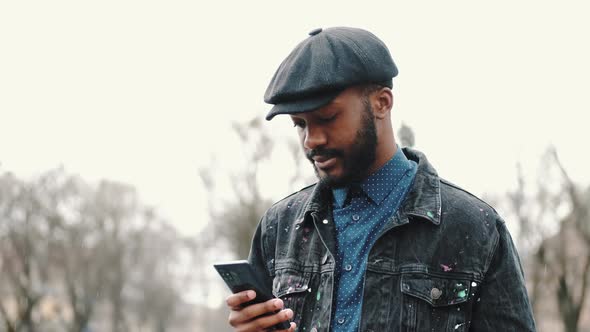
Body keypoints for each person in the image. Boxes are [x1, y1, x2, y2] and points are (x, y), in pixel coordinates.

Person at [225, 27, 536, 332]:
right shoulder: (277, 228)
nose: (311, 140)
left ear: (382, 103)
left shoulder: (475, 228)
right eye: (299, 124)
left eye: (327, 118)